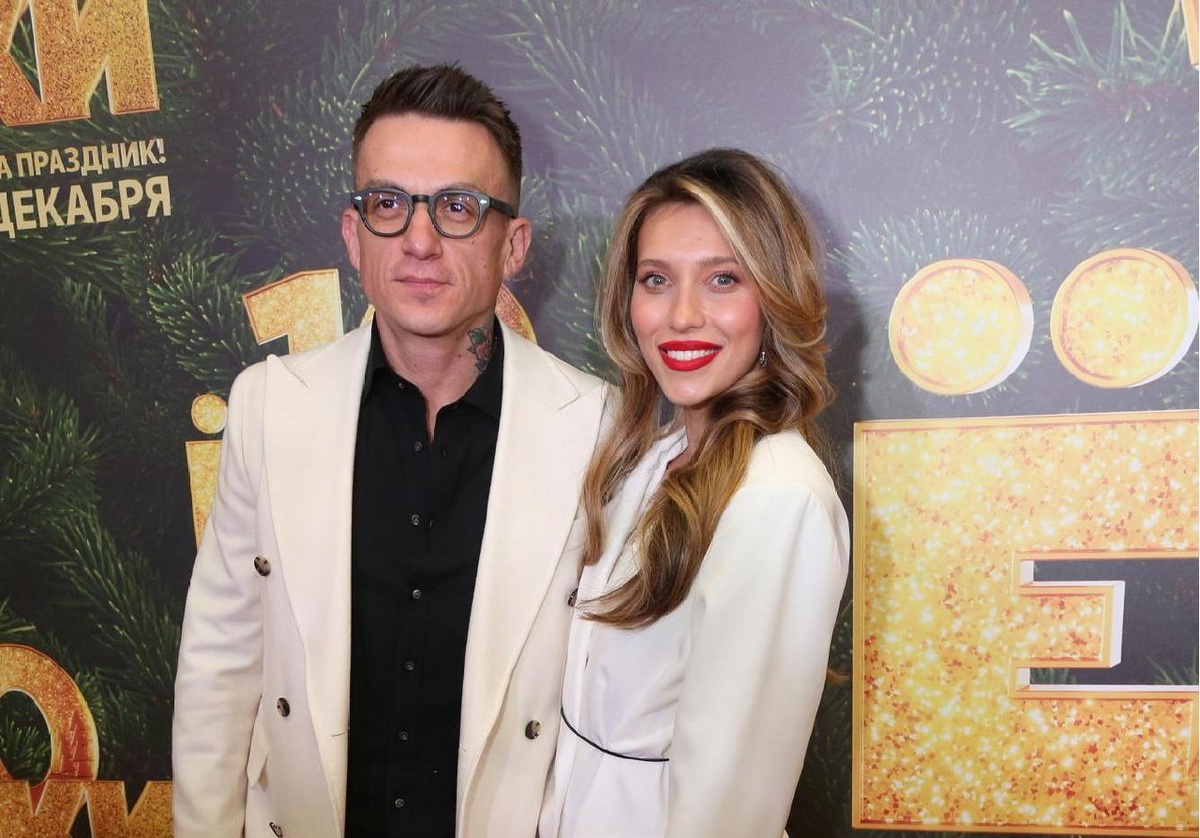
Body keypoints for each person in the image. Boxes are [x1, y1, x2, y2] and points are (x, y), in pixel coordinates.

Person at [172, 64, 609, 838]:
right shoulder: (269, 408)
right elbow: (220, 665)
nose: (419, 241)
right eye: (388, 204)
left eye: (458, 207)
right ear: (353, 236)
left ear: (513, 245)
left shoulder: (599, 427)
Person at [537, 148, 850, 838]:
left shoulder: (777, 497)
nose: (681, 315)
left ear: (773, 297)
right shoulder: (651, 459)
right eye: (656, 279)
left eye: (722, 279)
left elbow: (728, 806)